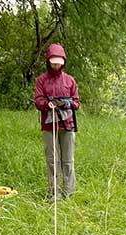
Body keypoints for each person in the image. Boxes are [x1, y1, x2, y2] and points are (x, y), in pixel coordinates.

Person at [34, 43, 80, 198]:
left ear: (63, 62)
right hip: (48, 125)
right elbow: (38, 100)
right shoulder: (41, 80)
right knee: (52, 160)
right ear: (48, 61)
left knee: (68, 160)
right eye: (53, 62)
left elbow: (77, 103)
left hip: (67, 125)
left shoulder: (70, 80)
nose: (55, 66)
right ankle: (54, 193)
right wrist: (48, 104)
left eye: (58, 63)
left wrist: (67, 103)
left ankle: (69, 192)